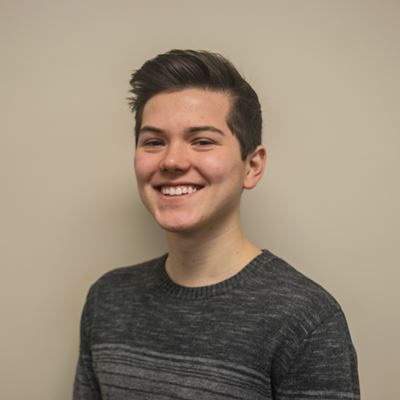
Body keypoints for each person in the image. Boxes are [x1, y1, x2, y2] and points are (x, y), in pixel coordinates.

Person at [73, 49, 360, 400]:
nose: (172, 161)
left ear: (252, 166)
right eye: (154, 142)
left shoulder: (306, 319)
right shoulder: (107, 299)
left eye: (202, 141)